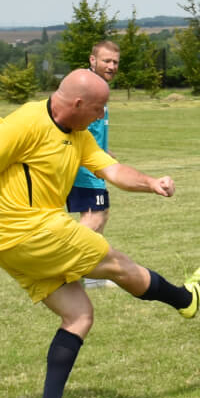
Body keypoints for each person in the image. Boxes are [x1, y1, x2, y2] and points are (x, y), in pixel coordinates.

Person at [0, 69, 200, 398]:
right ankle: (184, 299)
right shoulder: (22, 124)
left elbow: (113, 170)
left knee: (78, 316)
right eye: (99, 107)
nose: (102, 114)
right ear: (78, 103)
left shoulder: (79, 135)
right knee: (118, 264)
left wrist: (151, 182)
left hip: (6, 247)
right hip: (34, 231)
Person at [66, 39, 121, 290]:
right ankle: (63, 268)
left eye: (115, 62)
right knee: (93, 217)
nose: (111, 66)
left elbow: (92, 129)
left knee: (101, 214)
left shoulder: (99, 88)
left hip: (94, 163)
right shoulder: (85, 87)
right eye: (106, 61)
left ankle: (91, 275)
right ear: (92, 60)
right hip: (84, 167)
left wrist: (105, 152)